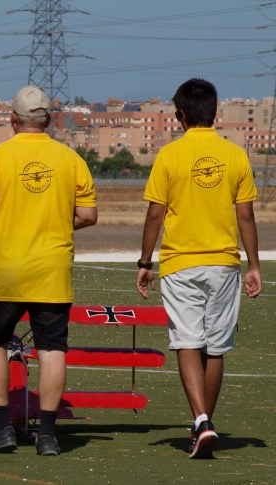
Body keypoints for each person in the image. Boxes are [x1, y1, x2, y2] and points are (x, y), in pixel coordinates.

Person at [0, 85, 98, 455]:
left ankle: (2, 426)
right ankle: (48, 435)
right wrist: (56, 222)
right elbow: (88, 215)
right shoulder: (71, 159)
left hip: (6, 268)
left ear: (13, 118)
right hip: (52, 269)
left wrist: (4, 219)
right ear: (49, 119)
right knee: (52, 349)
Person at [136, 78, 261, 459]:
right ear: (216, 113)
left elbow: (155, 214)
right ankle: (205, 423)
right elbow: (246, 216)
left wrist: (145, 261)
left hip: (180, 262)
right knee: (216, 347)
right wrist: (254, 265)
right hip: (224, 263)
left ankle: (201, 421)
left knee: (187, 342)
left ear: (180, 116)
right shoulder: (235, 155)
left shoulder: (169, 155)